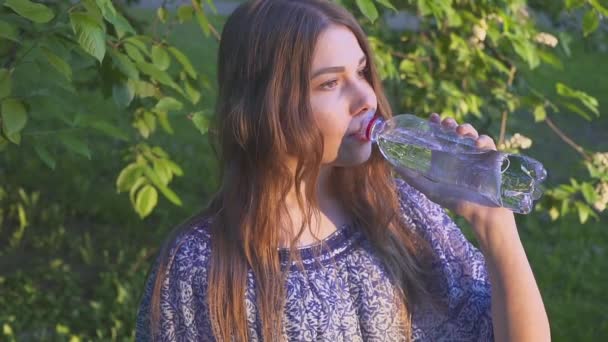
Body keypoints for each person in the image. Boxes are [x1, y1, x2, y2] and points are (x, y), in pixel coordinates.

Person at [136, 0, 550, 340]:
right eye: (329, 83)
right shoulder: (201, 264)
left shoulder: (401, 210)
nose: (365, 98)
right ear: (266, 107)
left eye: (362, 71)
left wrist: (495, 225)